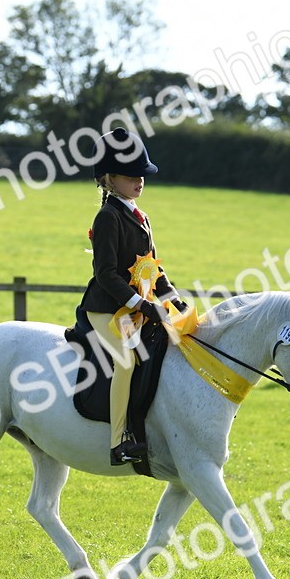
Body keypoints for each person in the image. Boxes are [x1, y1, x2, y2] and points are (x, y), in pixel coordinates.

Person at [77, 127, 189, 466]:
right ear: (109, 179)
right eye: (130, 175)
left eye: (142, 173)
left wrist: (173, 297)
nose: (139, 180)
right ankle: (118, 442)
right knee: (126, 360)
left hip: (136, 308)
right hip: (106, 309)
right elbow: (106, 274)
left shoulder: (142, 216)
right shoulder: (108, 217)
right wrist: (142, 305)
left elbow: (152, 268)